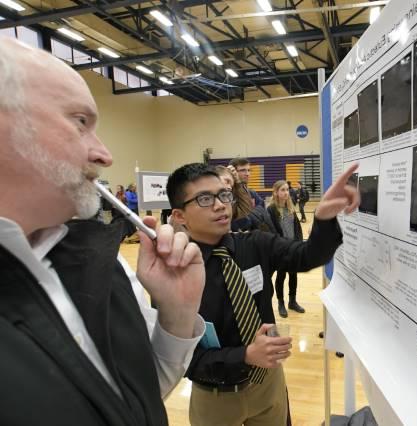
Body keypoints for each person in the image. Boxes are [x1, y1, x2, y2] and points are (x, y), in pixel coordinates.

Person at [0, 38, 206, 424]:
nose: (104, 154)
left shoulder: (103, 262)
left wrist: (177, 315)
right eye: (80, 122)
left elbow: (133, 399)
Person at [167, 162, 359, 426]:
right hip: (215, 398)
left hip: (267, 384)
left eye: (224, 195)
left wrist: (324, 217)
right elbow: (182, 359)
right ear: (179, 216)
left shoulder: (254, 244)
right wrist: (245, 355)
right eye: (204, 199)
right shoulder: (172, 274)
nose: (221, 205)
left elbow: (307, 255)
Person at [268, 180, 305, 317]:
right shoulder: (271, 209)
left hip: (293, 248)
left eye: (287, 190)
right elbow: (271, 231)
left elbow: (297, 228)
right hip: (281, 250)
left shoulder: (290, 207)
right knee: (281, 276)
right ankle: (281, 303)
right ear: (276, 192)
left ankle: (292, 301)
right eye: (282, 190)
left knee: (293, 275)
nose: (286, 193)